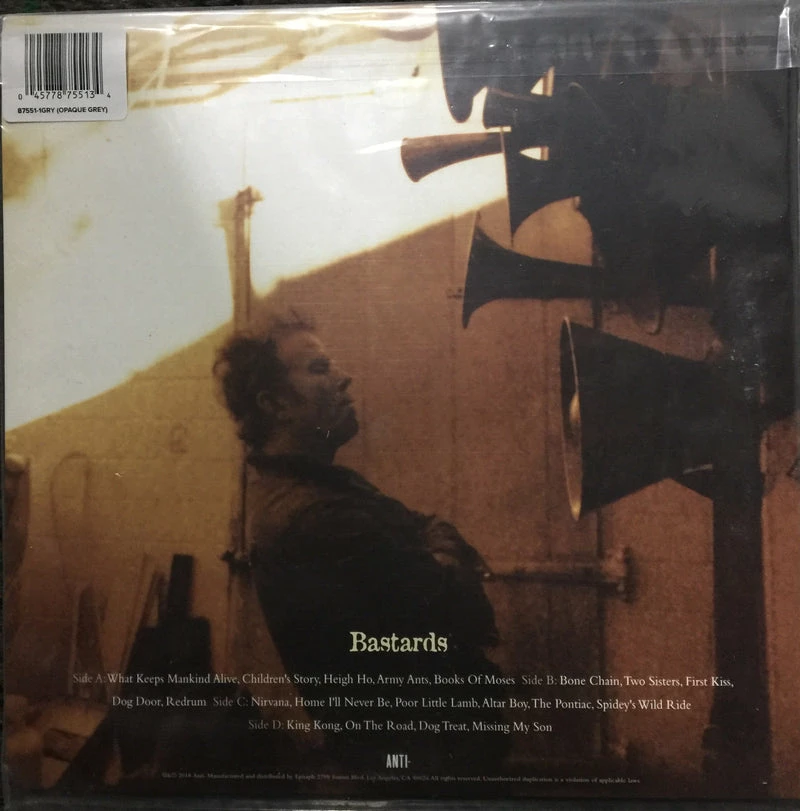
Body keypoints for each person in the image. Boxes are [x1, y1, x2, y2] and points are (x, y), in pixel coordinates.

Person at [214, 312, 509, 777]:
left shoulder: (317, 488)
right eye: (319, 369)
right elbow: (463, 608)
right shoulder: (318, 515)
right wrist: (444, 552)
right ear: (275, 404)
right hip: (421, 765)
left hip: (411, 753)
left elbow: (426, 527)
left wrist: (437, 549)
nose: (344, 377)